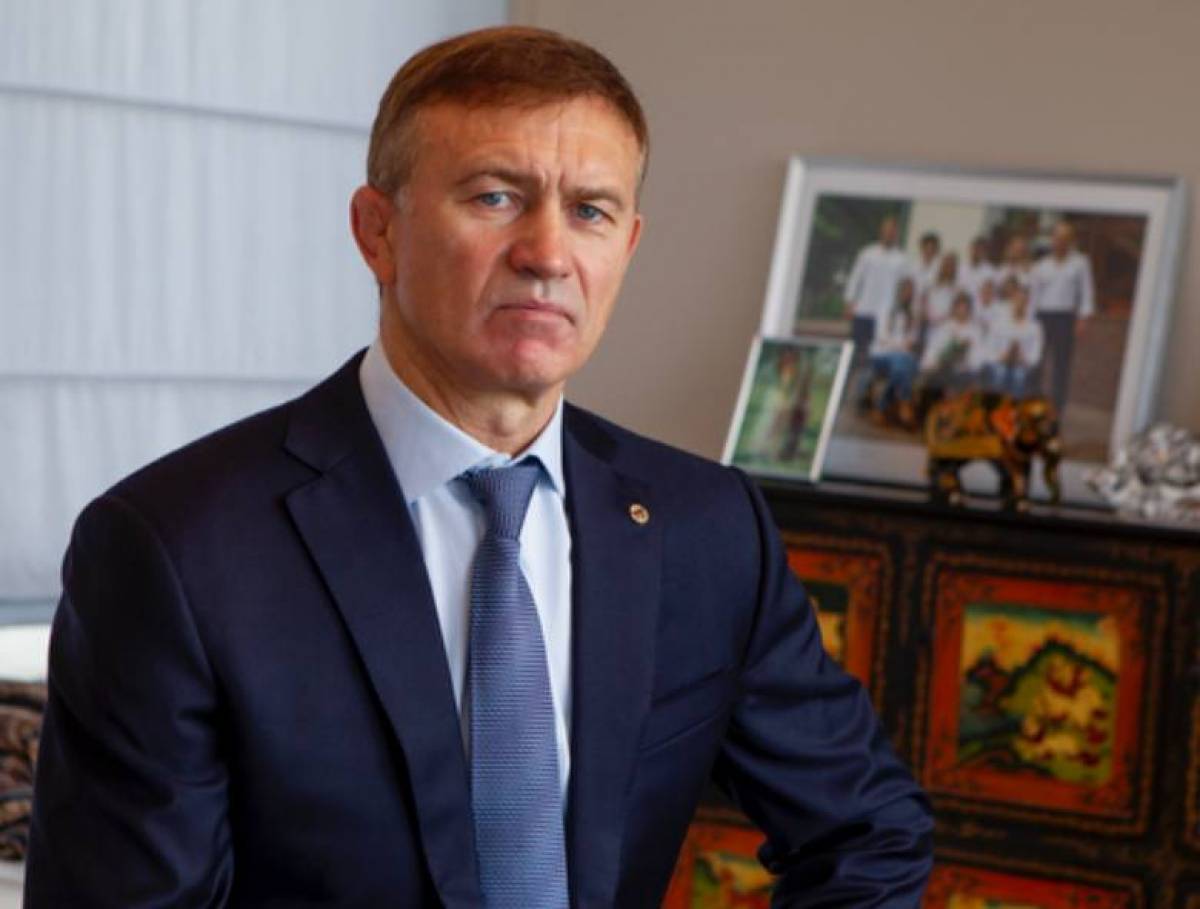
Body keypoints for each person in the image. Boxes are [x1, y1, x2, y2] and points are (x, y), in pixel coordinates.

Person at [25, 26, 932, 908]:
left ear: (627, 246)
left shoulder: (708, 527)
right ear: (377, 231)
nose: (548, 255)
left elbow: (868, 833)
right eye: (495, 197)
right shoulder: (177, 549)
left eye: (590, 211)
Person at [1030, 220, 1095, 412]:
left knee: (1061, 364)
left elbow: (1087, 291)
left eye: (1065, 238)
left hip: (1065, 317)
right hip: (1042, 316)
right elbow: (1034, 296)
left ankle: (1057, 408)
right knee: (1036, 360)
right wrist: (1031, 322)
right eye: (1057, 237)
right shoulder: (1041, 265)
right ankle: (1032, 401)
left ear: (1071, 240)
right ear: (1052, 239)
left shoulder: (1080, 262)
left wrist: (1083, 318)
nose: (1060, 241)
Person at [843, 214, 910, 368]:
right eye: (886, 230)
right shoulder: (867, 253)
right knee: (857, 352)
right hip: (863, 310)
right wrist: (849, 303)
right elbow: (855, 278)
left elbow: (906, 287)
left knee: (877, 355)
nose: (889, 234)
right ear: (881, 231)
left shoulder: (902, 259)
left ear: (896, 234)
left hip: (885, 316)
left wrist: (902, 311)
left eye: (892, 231)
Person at [866, 276, 920, 427]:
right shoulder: (885, 309)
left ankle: (880, 408)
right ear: (898, 291)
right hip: (880, 355)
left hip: (903, 357)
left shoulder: (913, 314)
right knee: (901, 362)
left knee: (902, 367)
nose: (907, 294)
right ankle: (904, 402)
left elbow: (912, 340)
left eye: (910, 292)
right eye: (905, 291)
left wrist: (900, 347)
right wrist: (901, 346)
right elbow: (881, 337)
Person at [982, 282, 1044, 397]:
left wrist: (1024, 359)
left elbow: (1036, 354)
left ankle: (1015, 406)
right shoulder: (999, 323)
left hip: (1021, 364)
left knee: (1018, 375)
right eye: (1018, 300)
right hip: (999, 362)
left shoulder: (1034, 327)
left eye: (1024, 301)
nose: (1020, 304)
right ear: (1012, 301)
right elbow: (988, 348)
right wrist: (1001, 357)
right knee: (1000, 373)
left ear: (1027, 303)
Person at [920, 291, 985, 393]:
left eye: (965, 308)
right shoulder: (944, 327)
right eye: (959, 307)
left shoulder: (975, 331)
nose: (962, 311)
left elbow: (978, 358)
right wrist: (929, 364)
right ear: (954, 308)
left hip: (964, 371)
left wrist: (967, 364)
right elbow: (933, 349)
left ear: (969, 310)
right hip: (941, 369)